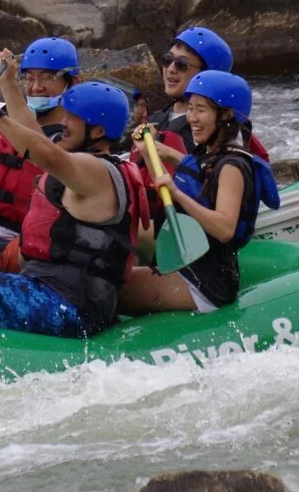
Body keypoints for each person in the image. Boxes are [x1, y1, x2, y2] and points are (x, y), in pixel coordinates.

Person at [0, 70, 149, 338]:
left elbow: (47, 157)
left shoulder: (95, 170)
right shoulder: (93, 167)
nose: (63, 121)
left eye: (72, 117)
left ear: (97, 131)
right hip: (61, 298)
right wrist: (8, 83)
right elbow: (34, 134)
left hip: (64, 309)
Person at [120, 70, 280, 314]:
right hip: (189, 270)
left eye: (201, 110)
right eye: (190, 109)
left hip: (204, 286)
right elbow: (167, 186)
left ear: (226, 115)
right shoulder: (208, 156)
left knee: (112, 290)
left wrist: (178, 195)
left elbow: (225, 228)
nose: (192, 118)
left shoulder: (231, 167)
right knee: (112, 278)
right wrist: (147, 151)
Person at [0, 36, 84, 272]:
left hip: (24, 246)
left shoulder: (75, 134)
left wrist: (7, 85)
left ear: (72, 82)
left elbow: (38, 148)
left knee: (32, 256)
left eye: (47, 78)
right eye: (30, 78)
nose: (36, 87)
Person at [141, 26, 269, 203]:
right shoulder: (157, 118)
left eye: (181, 64)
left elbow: (217, 178)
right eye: (167, 60)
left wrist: (172, 155)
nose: (170, 69)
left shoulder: (219, 129)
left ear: (207, 75)